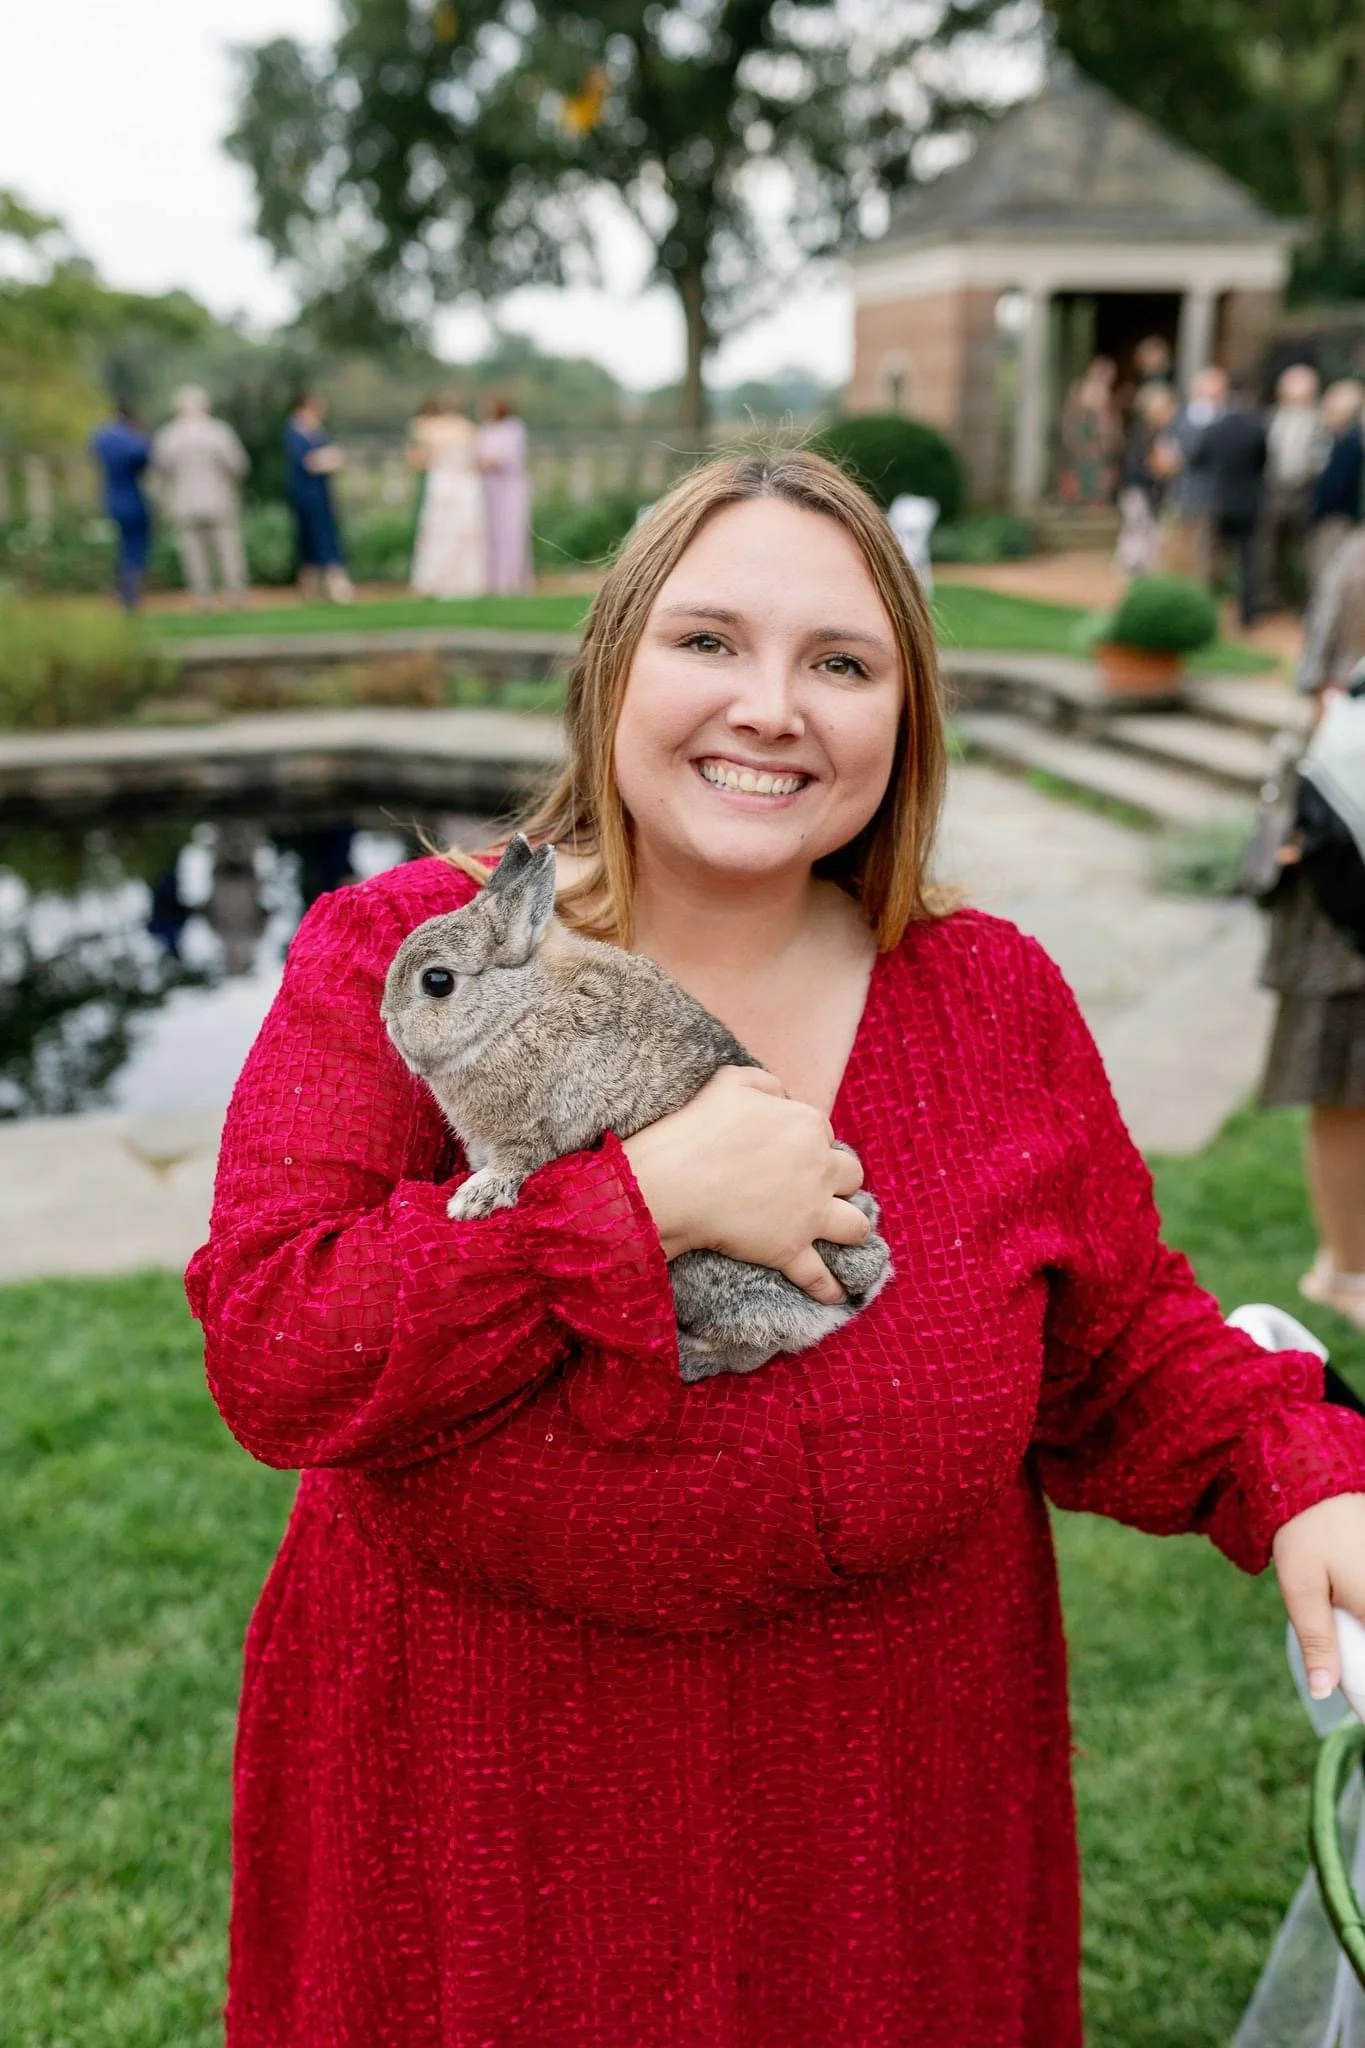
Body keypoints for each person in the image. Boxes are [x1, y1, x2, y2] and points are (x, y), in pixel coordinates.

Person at [187, 449, 1365, 2048]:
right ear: (614, 665)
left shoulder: (987, 1001)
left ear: (904, 719)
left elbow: (1116, 1344)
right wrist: (635, 1205)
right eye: (708, 643)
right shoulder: (403, 965)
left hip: (883, 1842)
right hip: (490, 1836)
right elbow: (278, 1339)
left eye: (841, 663)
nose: (771, 707)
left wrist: (1295, 1468)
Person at [1261, 530, 1365, 1327]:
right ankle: (1345, 1271)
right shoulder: (1356, 557)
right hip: (1344, 862)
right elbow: (1320, 682)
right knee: (1340, 1077)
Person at [152, 385, 251, 611]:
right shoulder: (218, 432)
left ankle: (202, 598)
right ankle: (235, 594)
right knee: (227, 550)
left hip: (184, 503)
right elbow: (238, 466)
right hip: (219, 500)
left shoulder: (169, 435)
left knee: (193, 554)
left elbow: (160, 471)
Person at [1190, 382, 1268, 629]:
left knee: (1211, 559)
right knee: (1246, 561)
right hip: (1247, 504)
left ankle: (1205, 611)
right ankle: (1246, 615)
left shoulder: (1214, 428)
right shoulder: (1256, 429)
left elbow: (1197, 459)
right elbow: (1262, 463)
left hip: (1218, 502)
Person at [407, 395, 488, 599]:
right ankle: (465, 583)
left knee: (440, 533)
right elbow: (478, 460)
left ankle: (436, 581)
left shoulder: (428, 429)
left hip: (442, 483)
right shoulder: (469, 428)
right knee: (463, 534)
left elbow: (418, 461)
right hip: (465, 484)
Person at [1260, 362, 1325, 612]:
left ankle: (1307, 605)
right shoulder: (1271, 418)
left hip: (1306, 495)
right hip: (1274, 492)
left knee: (1308, 555)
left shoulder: (1320, 421)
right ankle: (1271, 600)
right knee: (1270, 551)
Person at [284, 392, 352, 602]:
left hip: (321, 495)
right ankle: (322, 588)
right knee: (314, 540)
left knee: (323, 538)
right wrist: (326, 459)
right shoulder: (296, 433)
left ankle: (323, 588)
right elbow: (310, 462)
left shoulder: (317, 433)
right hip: (307, 496)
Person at [1163, 364, 1229, 581]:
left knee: (1204, 546)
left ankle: (1199, 589)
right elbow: (1169, 450)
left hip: (1212, 493)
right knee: (1177, 541)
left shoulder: (1226, 418)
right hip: (1181, 491)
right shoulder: (1182, 418)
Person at [1114, 382, 1181, 576]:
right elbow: (1135, 468)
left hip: (1152, 492)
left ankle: (1139, 571)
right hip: (1137, 491)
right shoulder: (1141, 433)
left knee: (1149, 533)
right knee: (1137, 530)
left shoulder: (1163, 432)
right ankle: (1130, 570)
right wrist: (1157, 471)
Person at [89, 401, 152, 609]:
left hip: (111, 498)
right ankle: (130, 595)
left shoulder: (101, 437)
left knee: (123, 547)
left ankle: (123, 591)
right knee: (135, 546)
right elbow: (144, 456)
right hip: (131, 497)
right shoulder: (130, 439)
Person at [1307, 379, 1365, 595]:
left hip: (1337, 517)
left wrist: (1319, 508)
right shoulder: (1339, 438)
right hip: (1335, 516)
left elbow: (1336, 484)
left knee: (1328, 572)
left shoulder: (1350, 442)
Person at [476, 394, 533, 594]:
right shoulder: (484, 429)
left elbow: (511, 457)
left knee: (511, 532)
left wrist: (491, 461)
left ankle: (511, 580)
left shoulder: (514, 428)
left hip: (510, 486)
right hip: (489, 488)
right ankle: (492, 581)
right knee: (491, 534)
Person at [1056, 354, 1120, 509]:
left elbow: (1112, 435)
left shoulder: (1108, 407)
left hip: (1099, 454)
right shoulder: (1078, 395)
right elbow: (1071, 430)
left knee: (1097, 488)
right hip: (1081, 453)